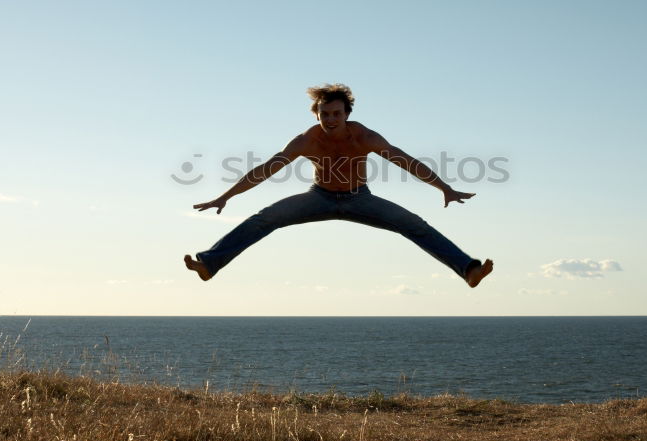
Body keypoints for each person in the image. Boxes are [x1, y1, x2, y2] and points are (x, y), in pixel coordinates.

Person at [184, 83, 494, 288]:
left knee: (414, 224)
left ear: (347, 114)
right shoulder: (307, 140)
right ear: (316, 114)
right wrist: (225, 196)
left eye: (336, 114)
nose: (330, 119)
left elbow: (404, 160)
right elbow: (266, 169)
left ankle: (468, 270)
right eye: (324, 114)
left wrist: (444, 188)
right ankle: (209, 264)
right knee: (264, 219)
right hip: (318, 197)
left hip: (360, 198)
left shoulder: (365, 137)